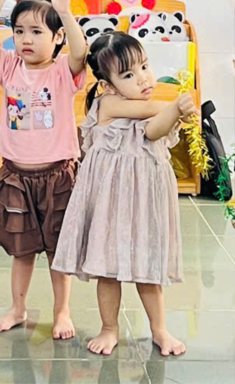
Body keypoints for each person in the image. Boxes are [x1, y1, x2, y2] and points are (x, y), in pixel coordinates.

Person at [53, 31, 193, 357]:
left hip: (144, 203)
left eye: (144, 66)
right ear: (108, 84)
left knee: (149, 270)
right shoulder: (109, 103)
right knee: (108, 269)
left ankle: (160, 329)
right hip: (110, 202)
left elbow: (154, 130)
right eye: (128, 75)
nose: (142, 78)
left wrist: (174, 112)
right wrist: (175, 106)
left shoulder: (146, 109)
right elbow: (153, 111)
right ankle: (109, 327)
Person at [0, 0, 90, 339]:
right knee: (21, 252)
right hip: (17, 177)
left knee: (57, 252)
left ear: (57, 38)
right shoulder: (9, 66)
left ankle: (62, 311)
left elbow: (81, 52)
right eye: (19, 31)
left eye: (37, 32)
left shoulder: (63, 71)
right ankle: (18, 308)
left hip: (57, 177)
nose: (26, 39)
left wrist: (65, 12)